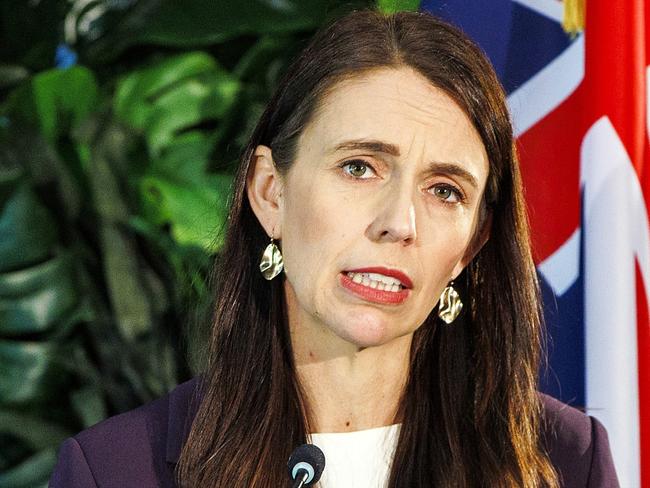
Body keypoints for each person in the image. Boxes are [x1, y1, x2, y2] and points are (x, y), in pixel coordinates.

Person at [49, 9, 620, 488]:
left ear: (473, 245)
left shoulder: (566, 461)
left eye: (445, 190)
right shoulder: (115, 470)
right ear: (270, 193)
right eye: (359, 167)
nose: (400, 222)